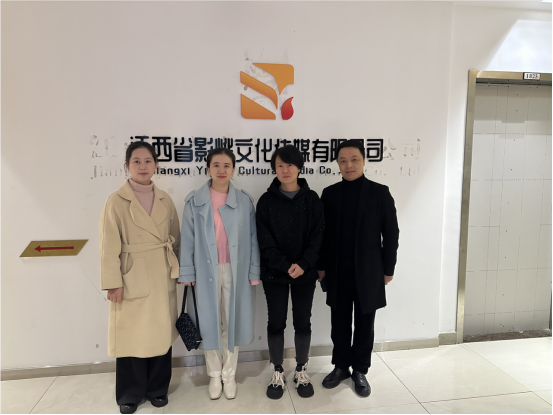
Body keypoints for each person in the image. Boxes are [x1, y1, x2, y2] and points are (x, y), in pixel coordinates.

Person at [100, 141, 181, 414]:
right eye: (136, 161)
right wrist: (113, 282)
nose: (143, 166)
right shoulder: (116, 201)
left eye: (148, 161)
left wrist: (179, 270)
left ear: (156, 164)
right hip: (130, 274)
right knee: (131, 335)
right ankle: (130, 393)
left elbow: (176, 238)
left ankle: (158, 389)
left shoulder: (165, 199)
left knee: (160, 333)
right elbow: (108, 245)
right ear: (127, 166)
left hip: (161, 274)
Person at [318, 140, 399, 397]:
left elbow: (391, 233)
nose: (349, 165)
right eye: (343, 160)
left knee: (365, 323)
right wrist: (321, 267)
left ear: (364, 161)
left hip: (369, 271)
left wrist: (388, 269)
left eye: (354, 159)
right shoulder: (329, 194)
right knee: (339, 322)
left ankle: (360, 370)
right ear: (338, 164)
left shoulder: (379, 193)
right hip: (337, 271)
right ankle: (341, 366)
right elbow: (322, 236)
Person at [178, 147, 260, 400]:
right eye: (216, 165)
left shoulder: (244, 201)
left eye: (226, 165)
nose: (221, 170)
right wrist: (187, 272)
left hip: (236, 271)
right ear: (208, 168)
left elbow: (253, 238)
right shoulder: (194, 201)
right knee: (210, 323)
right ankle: (214, 375)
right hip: (205, 272)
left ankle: (229, 374)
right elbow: (187, 240)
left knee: (231, 322)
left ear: (233, 169)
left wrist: (254, 270)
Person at [256, 145, 325, 400]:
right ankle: (277, 371)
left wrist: (304, 263)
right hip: (275, 273)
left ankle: (301, 369)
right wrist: (285, 265)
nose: (285, 170)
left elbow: (319, 236)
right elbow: (264, 240)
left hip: (305, 272)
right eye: (280, 165)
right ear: (274, 168)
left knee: (302, 322)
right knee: (276, 322)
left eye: (290, 165)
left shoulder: (312, 199)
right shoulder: (265, 201)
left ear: (299, 167)